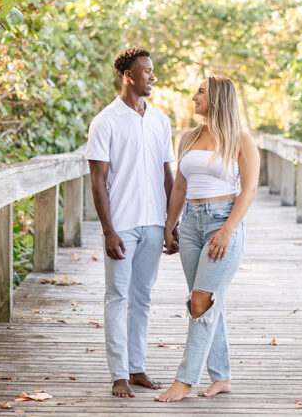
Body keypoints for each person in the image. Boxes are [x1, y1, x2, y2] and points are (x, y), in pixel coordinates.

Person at [155, 76, 260, 402]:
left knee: (200, 303)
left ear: (217, 98)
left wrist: (227, 232)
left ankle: (185, 380)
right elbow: (182, 188)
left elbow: (249, 190)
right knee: (208, 302)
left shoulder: (241, 140)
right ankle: (222, 377)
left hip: (222, 223)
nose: (193, 96)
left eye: (200, 91)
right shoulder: (188, 137)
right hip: (190, 226)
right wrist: (169, 226)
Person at [86, 48, 176, 398]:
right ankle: (118, 373)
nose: (152, 76)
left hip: (154, 223)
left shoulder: (161, 120)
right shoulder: (105, 121)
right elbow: (97, 180)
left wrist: (171, 223)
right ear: (128, 75)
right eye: (147, 71)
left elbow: (167, 174)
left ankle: (137, 368)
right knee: (117, 296)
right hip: (121, 225)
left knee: (142, 297)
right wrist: (108, 230)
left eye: (152, 71)